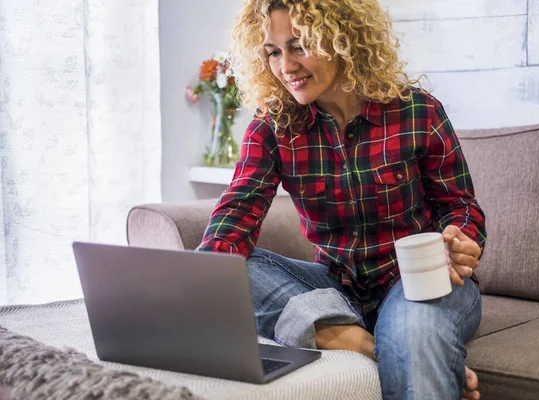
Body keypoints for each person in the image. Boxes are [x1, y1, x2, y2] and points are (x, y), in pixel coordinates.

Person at [197, 0, 486, 399]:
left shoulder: (417, 111)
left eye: (298, 46)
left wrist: (460, 237)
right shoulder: (272, 128)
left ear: (341, 37)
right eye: (274, 52)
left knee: (413, 325)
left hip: (419, 280)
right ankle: (371, 344)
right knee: (225, 270)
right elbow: (237, 212)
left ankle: (370, 337)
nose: (286, 67)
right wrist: (207, 272)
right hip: (337, 287)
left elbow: (460, 206)